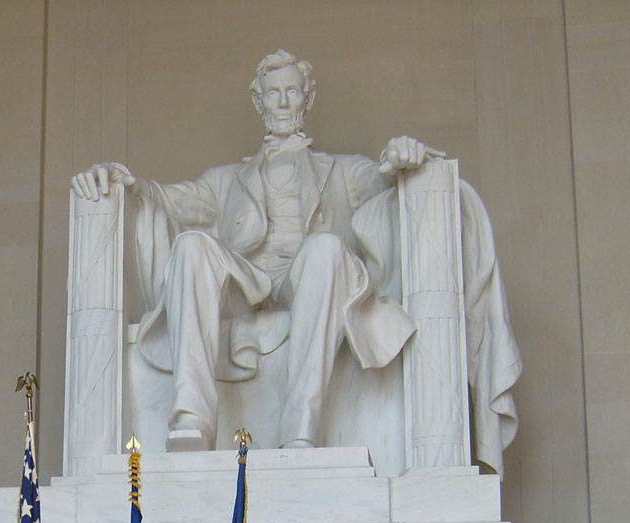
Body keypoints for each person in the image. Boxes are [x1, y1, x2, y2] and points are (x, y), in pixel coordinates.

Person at [72, 49, 433, 452]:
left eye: (292, 91)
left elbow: (383, 179)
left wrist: (400, 156)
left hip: (309, 280)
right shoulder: (226, 180)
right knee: (192, 245)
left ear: (307, 98)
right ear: (258, 100)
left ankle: (301, 428)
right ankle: (192, 417)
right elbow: (171, 200)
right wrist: (126, 182)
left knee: (326, 247)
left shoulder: (343, 170)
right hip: (247, 285)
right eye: (273, 93)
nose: (282, 102)